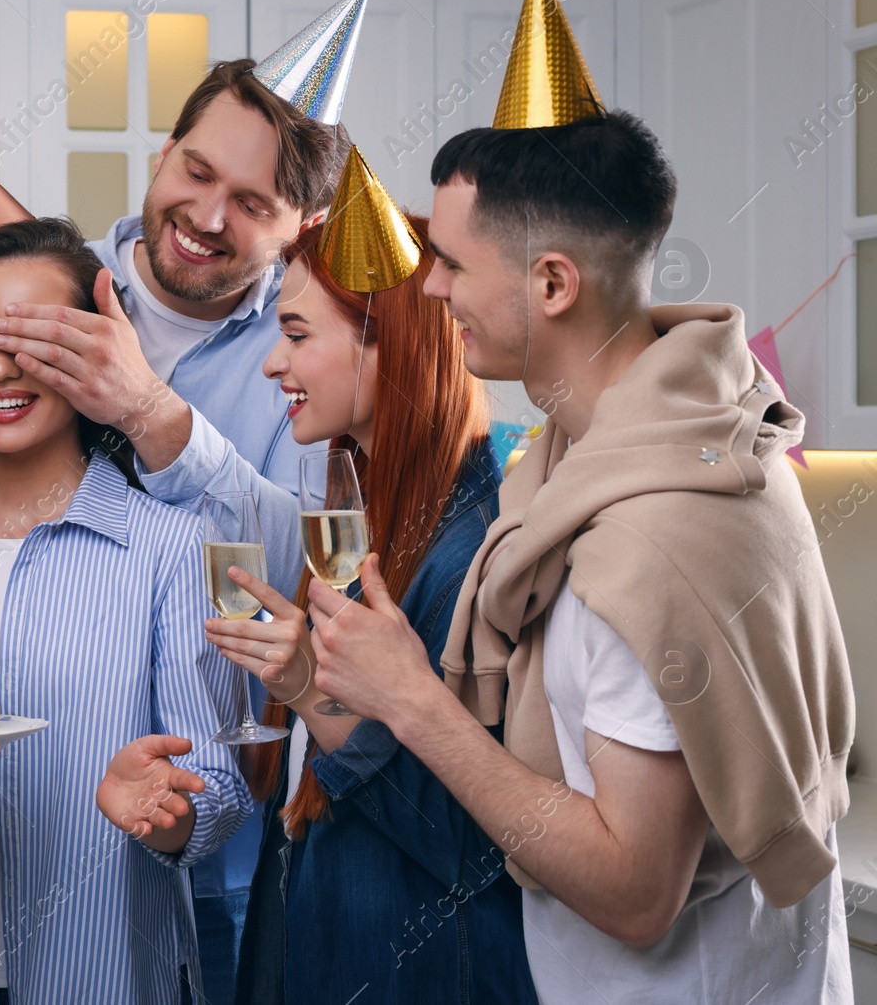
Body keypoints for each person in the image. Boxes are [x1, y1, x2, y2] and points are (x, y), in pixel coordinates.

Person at [304, 107, 855, 1003]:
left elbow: (636, 892)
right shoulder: (709, 431)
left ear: (554, 283)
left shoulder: (643, 546)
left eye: (451, 263)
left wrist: (411, 699)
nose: (431, 290)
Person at [0, 36, 357, 999]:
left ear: (307, 221)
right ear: (164, 150)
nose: (206, 217)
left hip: (194, 881)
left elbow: (303, 576)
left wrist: (155, 417)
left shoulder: (304, 349)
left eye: (253, 204)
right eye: (196, 169)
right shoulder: (46, 277)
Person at [96, 149, 536, 1001]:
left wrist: (313, 695)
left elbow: (486, 850)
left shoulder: (480, 549)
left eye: (296, 336)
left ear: (392, 345)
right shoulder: (361, 525)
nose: (271, 366)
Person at [0, 217, 251, 1004]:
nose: (1, 367)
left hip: (95, 972)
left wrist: (161, 807)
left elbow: (218, 786)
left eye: (36, 339)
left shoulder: (169, 546)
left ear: (99, 352)